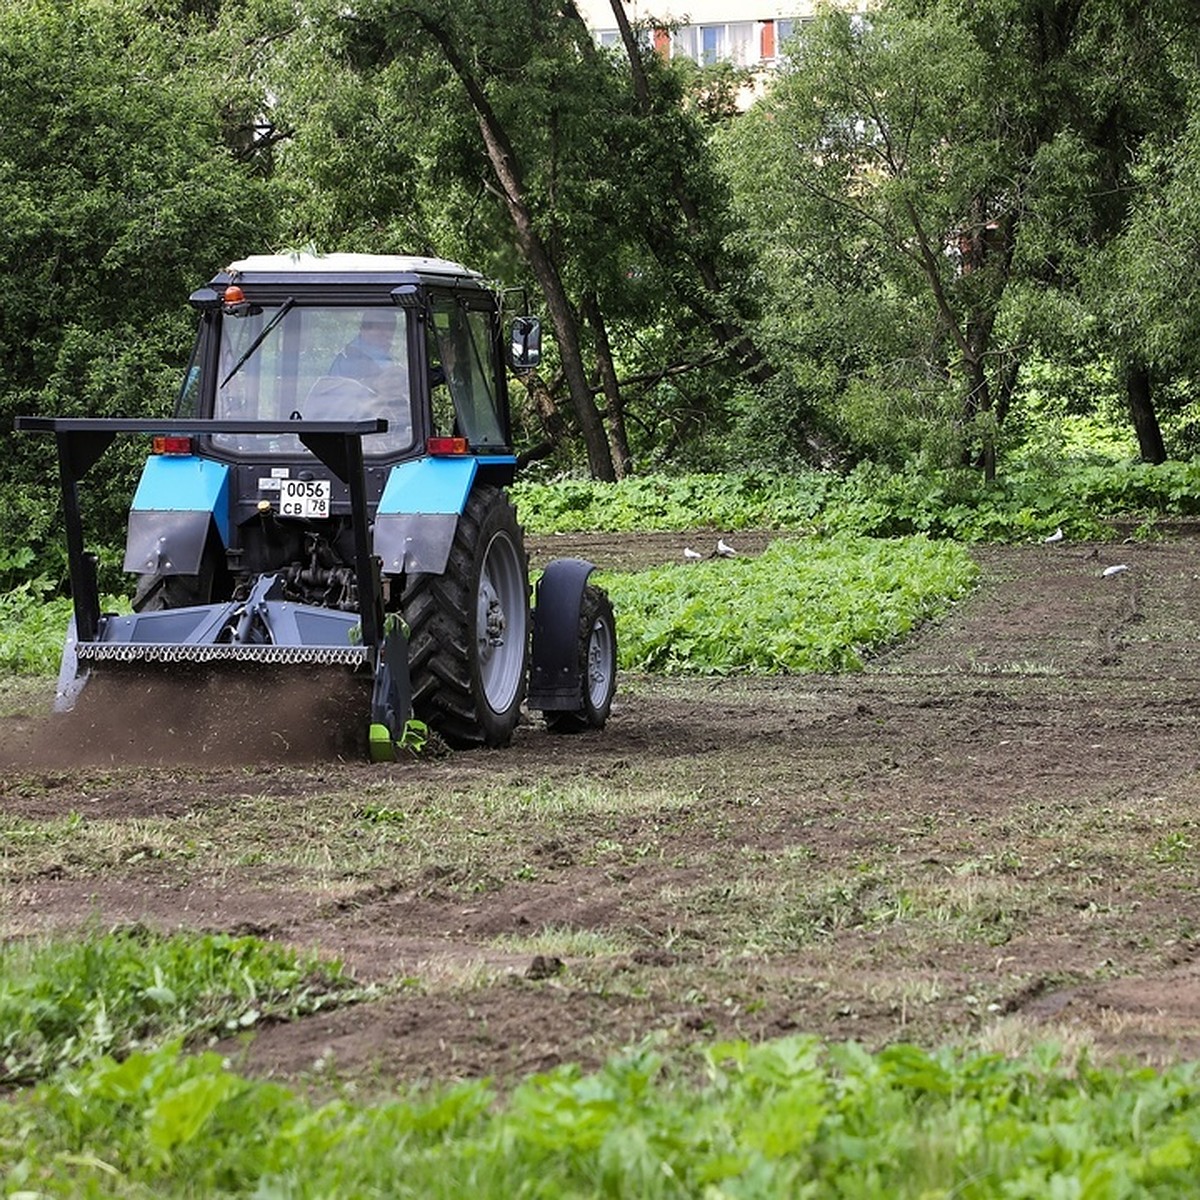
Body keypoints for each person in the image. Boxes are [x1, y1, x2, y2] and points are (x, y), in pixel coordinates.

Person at [329, 309, 399, 382]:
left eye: (390, 329)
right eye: (379, 328)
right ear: (364, 330)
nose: (386, 334)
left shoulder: (384, 356)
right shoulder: (351, 359)